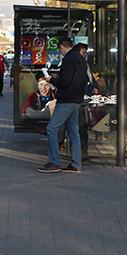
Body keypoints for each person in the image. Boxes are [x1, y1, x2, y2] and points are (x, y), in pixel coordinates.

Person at [39, 36, 87, 173]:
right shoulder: (81, 59)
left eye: (60, 50)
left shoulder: (68, 60)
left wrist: (51, 80)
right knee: (73, 132)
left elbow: (65, 82)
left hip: (66, 100)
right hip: (77, 100)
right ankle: (76, 163)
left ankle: (55, 162)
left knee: (51, 128)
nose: (60, 53)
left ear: (62, 47)